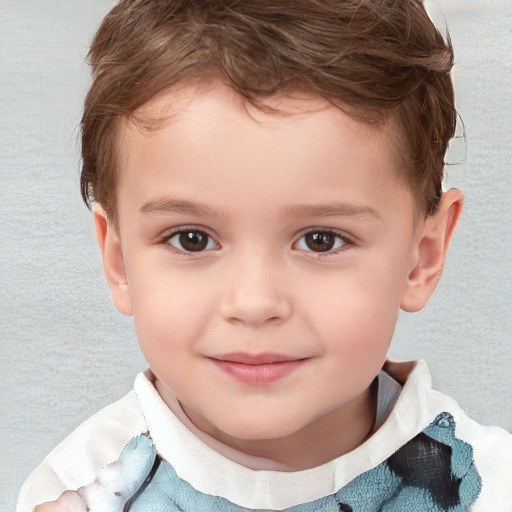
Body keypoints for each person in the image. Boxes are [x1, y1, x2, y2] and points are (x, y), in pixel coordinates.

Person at [16, 0, 512, 510]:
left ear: (421, 257)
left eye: (321, 239)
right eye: (192, 239)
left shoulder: (493, 489)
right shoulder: (70, 491)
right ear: (119, 262)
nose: (254, 303)